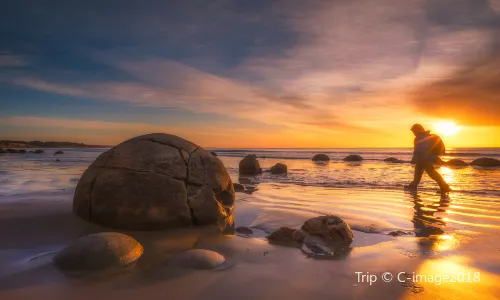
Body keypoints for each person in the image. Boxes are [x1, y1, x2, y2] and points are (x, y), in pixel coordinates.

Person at [405, 123, 451, 193]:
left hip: (425, 159)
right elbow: (417, 150)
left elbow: (420, 150)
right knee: (418, 174)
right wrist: (415, 159)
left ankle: (444, 187)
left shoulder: (421, 137)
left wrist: (415, 159)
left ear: (418, 130)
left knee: (432, 174)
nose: (413, 132)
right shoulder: (420, 137)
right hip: (422, 159)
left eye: (414, 131)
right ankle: (413, 186)